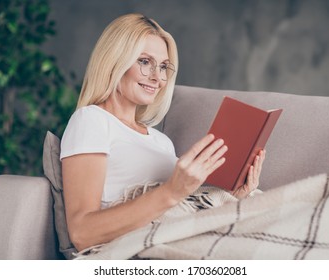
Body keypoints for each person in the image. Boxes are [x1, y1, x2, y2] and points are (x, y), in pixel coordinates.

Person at [60, 13, 266, 252]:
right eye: (145, 62)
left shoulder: (162, 141)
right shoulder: (92, 120)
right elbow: (82, 233)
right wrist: (172, 191)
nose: (158, 78)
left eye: (164, 67)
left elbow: (186, 211)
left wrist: (233, 198)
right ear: (115, 61)